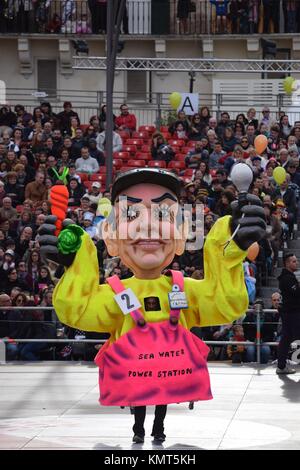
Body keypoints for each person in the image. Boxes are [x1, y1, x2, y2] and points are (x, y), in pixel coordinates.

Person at [39, 167, 266, 444]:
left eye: (163, 214)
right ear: (110, 236)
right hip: (136, 377)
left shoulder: (185, 289)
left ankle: (156, 428)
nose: (148, 225)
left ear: (182, 235)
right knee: (141, 399)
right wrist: (76, 259)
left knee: (160, 400)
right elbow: (77, 308)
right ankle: (138, 428)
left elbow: (225, 302)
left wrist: (230, 247)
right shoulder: (113, 293)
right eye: (131, 214)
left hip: (166, 375)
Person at [277, 254, 300, 374]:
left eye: (296, 261)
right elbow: (297, 292)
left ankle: (281, 366)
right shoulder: (287, 278)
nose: (296, 263)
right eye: (294, 261)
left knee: (286, 339)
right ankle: (281, 366)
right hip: (292, 313)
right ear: (287, 263)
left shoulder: (288, 277)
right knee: (287, 339)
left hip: (290, 313)